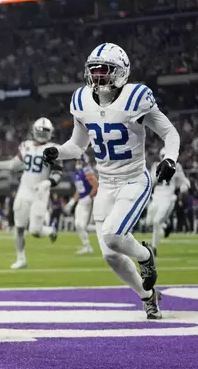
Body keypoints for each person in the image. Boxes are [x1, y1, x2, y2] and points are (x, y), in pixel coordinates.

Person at [42, 42, 180, 319]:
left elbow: (170, 133)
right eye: (94, 71)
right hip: (105, 184)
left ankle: (145, 256)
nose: (98, 76)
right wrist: (58, 150)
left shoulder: (135, 97)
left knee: (114, 237)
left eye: (104, 70)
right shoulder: (81, 100)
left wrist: (170, 159)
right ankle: (148, 297)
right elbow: (77, 146)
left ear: (120, 71)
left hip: (133, 180)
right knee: (110, 254)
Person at [0, 118, 63, 269]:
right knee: (19, 227)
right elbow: (12, 165)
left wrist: (48, 182)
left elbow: (57, 172)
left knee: (35, 231)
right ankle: (21, 258)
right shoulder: (26, 146)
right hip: (24, 190)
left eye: (45, 131)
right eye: (40, 130)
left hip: (41, 192)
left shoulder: (54, 148)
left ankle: (50, 230)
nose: (42, 134)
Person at [145, 148, 190, 255]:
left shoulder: (177, 167)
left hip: (168, 197)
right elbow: (151, 181)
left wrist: (184, 187)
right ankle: (165, 228)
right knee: (148, 222)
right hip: (156, 197)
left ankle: (154, 248)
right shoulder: (156, 165)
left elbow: (185, 182)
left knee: (156, 221)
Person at [63, 153, 98, 254]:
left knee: (85, 226)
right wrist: (72, 202)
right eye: (76, 161)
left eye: (79, 161)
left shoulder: (87, 171)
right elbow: (79, 190)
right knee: (78, 224)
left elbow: (96, 186)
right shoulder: (76, 172)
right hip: (81, 201)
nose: (77, 163)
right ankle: (87, 246)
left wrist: (89, 197)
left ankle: (110, 232)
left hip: (88, 201)